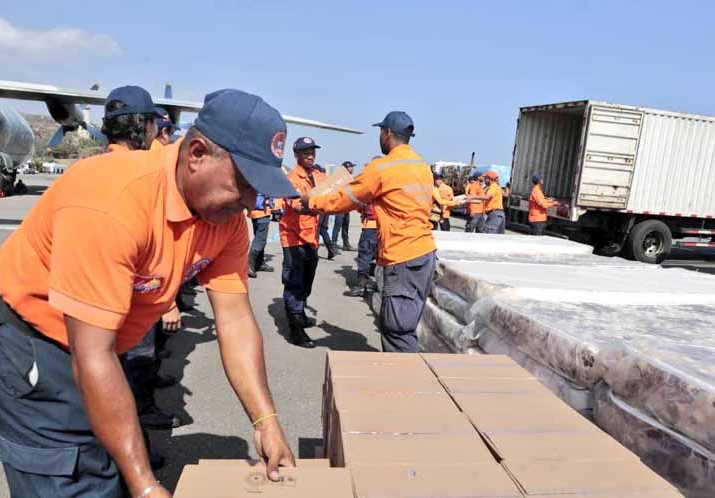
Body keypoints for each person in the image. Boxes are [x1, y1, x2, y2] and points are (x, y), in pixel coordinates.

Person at [0, 89, 296, 497]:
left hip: (103, 344)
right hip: (40, 349)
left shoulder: (224, 219)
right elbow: (91, 354)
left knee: (110, 467)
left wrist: (266, 422)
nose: (249, 202)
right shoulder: (113, 201)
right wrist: (145, 485)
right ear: (196, 153)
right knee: (72, 479)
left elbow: (234, 318)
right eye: (243, 183)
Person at [306, 111, 436, 353]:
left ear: (387, 133)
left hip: (402, 256)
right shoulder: (422, 166)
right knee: (406, 324)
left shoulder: (383, 167)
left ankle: (407, 386)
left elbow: (347, 198)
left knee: (397, 330)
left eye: (380, 132)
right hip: (424, 253)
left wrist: (311, 203)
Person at [101, 86, 181, 436]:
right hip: (135, 290)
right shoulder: (151, 174)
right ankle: (136, 426)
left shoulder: (89, 171)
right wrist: (167, 300)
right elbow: (152, 242)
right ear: (148, 127)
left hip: (91, 299)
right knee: (137, 357)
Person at [278, 137, 325, 348]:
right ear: (296, 155)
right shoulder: (290, 178)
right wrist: (323, 205)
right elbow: (297, 206)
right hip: (293, 238)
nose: (310, 155)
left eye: (312, 151)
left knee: (307, 280)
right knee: (295, 282)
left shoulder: (318, 175)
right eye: (306, 152)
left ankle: (301, 311)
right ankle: (295, 328)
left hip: (311, 238)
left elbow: (334, 191)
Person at [347, 201, 378, 297]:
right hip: (384, 226)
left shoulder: (371, 191)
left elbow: (360, 206)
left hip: (371, 226)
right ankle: (379, 284)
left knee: (365, 255)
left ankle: (361, 286)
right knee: (380, 256)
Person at [248, 193, 275, 277]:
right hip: (262, 212)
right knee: (260, 240)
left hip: (254, 212)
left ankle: (259, 263)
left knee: (259, 238)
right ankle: (249, 265)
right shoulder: (265, 182)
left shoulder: (256, 181)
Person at [332, 161, 356, 250]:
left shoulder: (349, 178)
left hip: (347, 206)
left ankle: (346, 244)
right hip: (340, 205)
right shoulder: (340, 178)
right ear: (346, 168)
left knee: (345, 226)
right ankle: (333, 243)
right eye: (351, 167)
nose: (353, 168)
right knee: (337, 225)